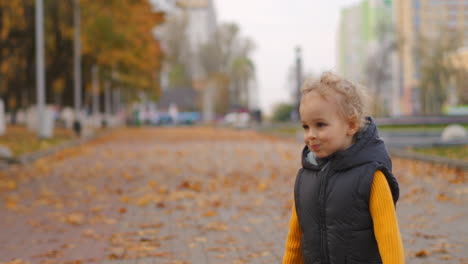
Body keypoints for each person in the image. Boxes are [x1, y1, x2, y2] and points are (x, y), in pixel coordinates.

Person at [282, 72, 405, 264]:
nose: (310, 135)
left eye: (320, 125)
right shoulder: (305, 177)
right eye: (306, 126)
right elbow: (295, 239)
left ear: (351, 125)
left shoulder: (371, 177)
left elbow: (389, 237)